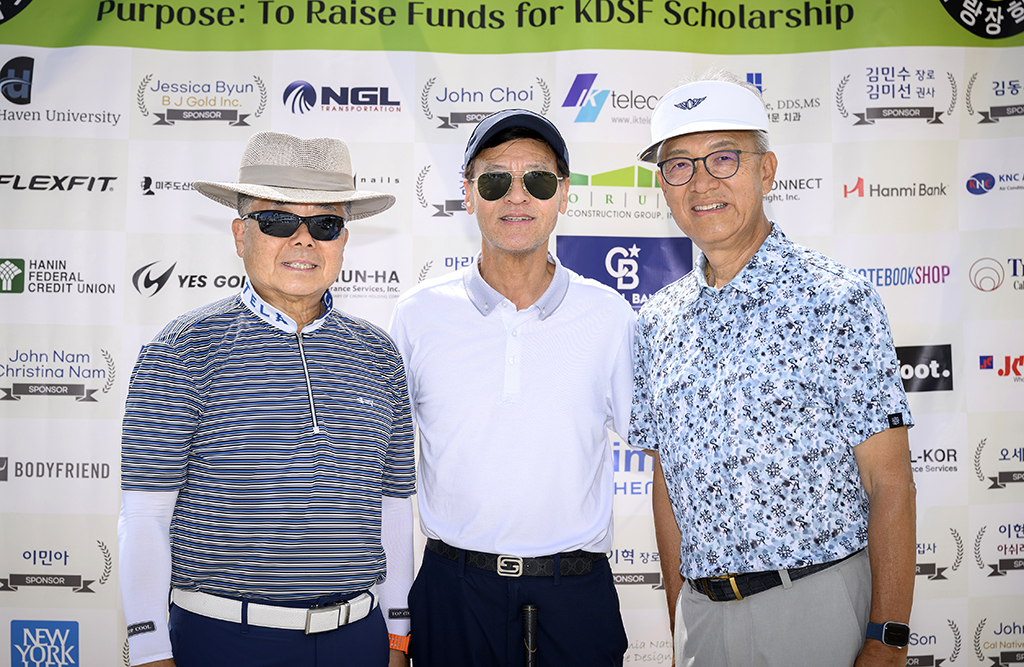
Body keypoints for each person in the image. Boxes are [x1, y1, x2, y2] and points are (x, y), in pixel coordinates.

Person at [630, 71, 917, 667]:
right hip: (702, 619)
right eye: (679, 165)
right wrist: (680, 620)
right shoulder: (656, 322)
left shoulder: (837, 300)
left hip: (817, 606)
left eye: (723, 158)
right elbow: (667, 487)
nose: (701, 182)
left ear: (766, 171)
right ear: (663, 186)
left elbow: (889, 480)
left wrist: (888, 637)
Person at [118, 131, 415, 667]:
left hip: (358, 641)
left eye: (324, 225)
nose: (303, 240)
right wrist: (148, 647)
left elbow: (392, 507)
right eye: (277, 221)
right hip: (224, 641)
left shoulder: (379, 354)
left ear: (343, 241)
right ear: (240, 235)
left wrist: (397, 635)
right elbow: (145, 512)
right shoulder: (182, 349)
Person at [388, 109, 634, 666]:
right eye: (496, 179)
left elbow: (663, 453)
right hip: (453, 593)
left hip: (576, 597)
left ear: (563, 194)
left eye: (538, 180)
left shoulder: (610, 317)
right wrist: (396, 629)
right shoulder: (417, 316)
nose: (517, 196)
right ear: (468, 193)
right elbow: (387, 480)